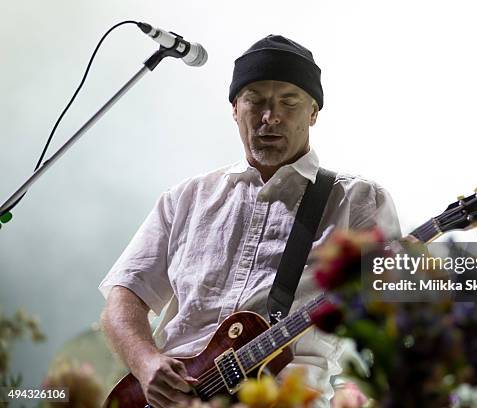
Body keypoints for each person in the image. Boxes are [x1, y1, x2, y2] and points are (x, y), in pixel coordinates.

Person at [99, 34, 401, 408]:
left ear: (313, 112)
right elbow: (124, 296)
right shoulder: (185, 199)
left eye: (288, 102)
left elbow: (399, 306)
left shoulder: (357, 201)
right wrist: (146, 364)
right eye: (254, 101)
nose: (269, 117)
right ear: (235, 108)